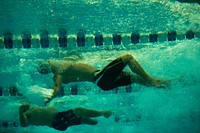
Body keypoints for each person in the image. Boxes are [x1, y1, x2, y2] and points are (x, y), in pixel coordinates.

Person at [38, 54, 169, 103]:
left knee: (136, 78)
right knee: (128, 58)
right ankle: (152, 81)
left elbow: (72, 61)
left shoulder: (63, 66)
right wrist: (51, 95)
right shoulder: (59, 71)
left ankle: (169, 83)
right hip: (100, 78)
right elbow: (57, 85)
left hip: (102, 81)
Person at [19, 104, 112, 131]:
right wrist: (20, 111)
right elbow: (24, 124)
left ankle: (98, 122)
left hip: (59, 120)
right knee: (79, 110)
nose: (26, 105)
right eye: (24, 105)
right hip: (57, 120)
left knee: (84, 119)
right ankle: (103, 113)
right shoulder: (26, 113)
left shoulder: (33, 107)